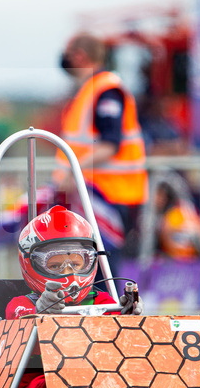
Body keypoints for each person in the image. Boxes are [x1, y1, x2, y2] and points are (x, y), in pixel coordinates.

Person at [3, 205, 142, 388]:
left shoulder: (103, 302)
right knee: (64, 385)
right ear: (31, 264)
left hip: (97, 380)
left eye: (77, 263)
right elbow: (22, 330)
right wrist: (43, 314)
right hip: (38, 385)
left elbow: (120, 347)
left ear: (90, 261)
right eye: (57, 266)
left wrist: (129, 318)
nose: (69, 272)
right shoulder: (21, 304)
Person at [52, 32, 148, 251]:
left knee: (104, 273)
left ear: (79, 56)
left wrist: (72, 172)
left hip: (108, 196)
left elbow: (110, 144)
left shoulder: (105, 91)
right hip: (96, 193)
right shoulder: (92, 89)